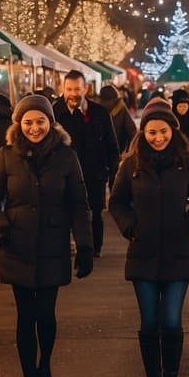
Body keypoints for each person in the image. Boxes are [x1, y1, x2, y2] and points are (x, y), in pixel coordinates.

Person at [0, 94, 93, 377]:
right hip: (16, 244)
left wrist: (85, 245)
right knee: (24, 316)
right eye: (28, 122)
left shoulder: (67, 157)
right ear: (19, 124)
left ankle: (46, 367)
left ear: (49, 122)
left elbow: (78, 204)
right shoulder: (5, 155)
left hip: (53, 246)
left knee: (46, 314)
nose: (34, 127)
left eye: (40, 121)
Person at [109, 99, 189, 377]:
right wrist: (130, 227)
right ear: (143, 133)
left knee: (170, 321)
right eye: (151, 132)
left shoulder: (187, 161)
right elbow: (116, 202)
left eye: (163, 131)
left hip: (180, 251)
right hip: (143, 252)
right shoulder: (132, 164)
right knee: (149, 323)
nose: (158, 137)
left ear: (172, 130)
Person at [54, 70, 119, 257]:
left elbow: (112, 146)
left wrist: (108, 172)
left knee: (95, 213)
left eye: (77, 89)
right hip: (64, 174)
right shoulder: (55, 112)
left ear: (86, 89)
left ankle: (94, 248)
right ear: (63, 89)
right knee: (64, 210)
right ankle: (65, 246)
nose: (73, 93)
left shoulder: (100, 113)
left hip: (94, 174)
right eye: (69, 89)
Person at [100, 84, 138, 155]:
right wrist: (128, 152)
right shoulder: (121, 109)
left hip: (100, 155)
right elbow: (133, 133)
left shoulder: (96, 110)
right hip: (119, 154)